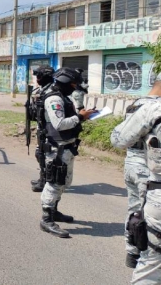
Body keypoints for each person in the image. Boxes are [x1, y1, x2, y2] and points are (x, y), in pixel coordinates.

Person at [110, 72, 161, 269]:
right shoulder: (158, 108)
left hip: (131, 163)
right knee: (152, 219)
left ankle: (132, 253)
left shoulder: (135, 104)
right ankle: (151, 265)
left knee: (134, 210)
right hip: (147, 168)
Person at [39, 67, 96, 238]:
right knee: (54, 182)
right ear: (65, 82)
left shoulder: (64, 97)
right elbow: (60, 124)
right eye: (73, 84)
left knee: (64, 182)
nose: (75, 87)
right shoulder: (54, 99)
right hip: (57, 149)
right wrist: (80, 117)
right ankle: (46, 219)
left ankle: (54, 211)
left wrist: (83, 115)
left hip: (67, 147)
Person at [29, 65, 55, 192]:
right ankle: (42, 178)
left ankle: (46, 182)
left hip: (49, 129)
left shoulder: (52, 91)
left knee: (45, 155)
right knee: (40, 153)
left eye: (38, 76)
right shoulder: (42, 89)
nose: (37, 78)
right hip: (41, 127)